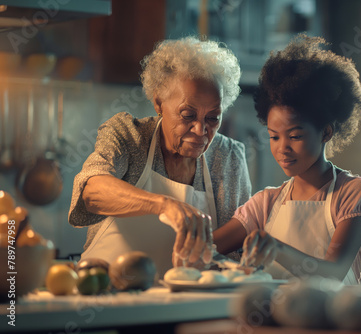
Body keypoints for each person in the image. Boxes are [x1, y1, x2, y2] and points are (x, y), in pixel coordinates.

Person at [69, 36, 252, 276]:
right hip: (106, 294)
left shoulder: (228, 157)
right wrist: (163, 204)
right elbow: (92, 192)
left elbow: (236, 246)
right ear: (158, 102)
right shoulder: (128, 135)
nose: (200, 130)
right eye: (187, 114)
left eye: (212, 118)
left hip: (184, 299)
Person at [214, 34, 361, 284]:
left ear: (326, 132)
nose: (283, 148)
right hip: (274, 319)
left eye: (295, 136)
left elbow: (334, 272)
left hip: (334, 319)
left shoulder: (353, 192)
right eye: (274, 137)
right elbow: (208, 248)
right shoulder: (265, 203)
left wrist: (277, 249)